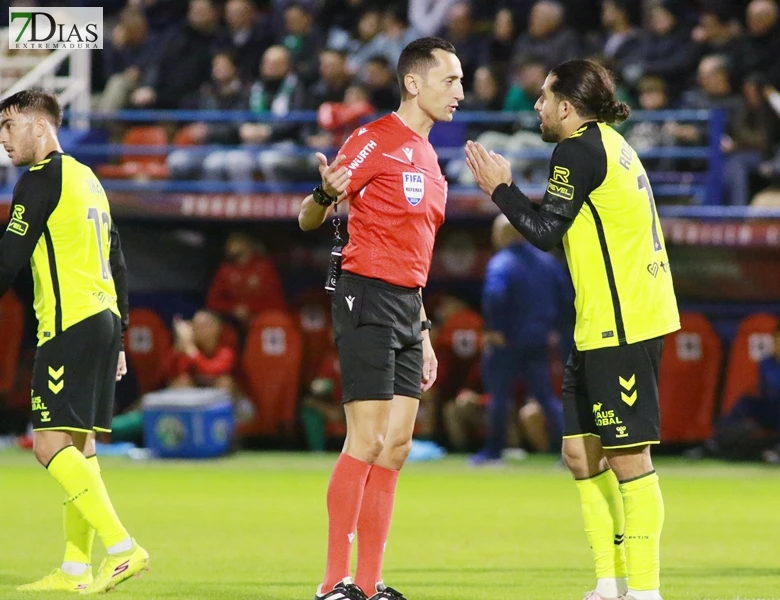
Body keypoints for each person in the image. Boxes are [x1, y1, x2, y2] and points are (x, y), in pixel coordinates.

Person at [465, 59, 680, 600]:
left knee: (630, 457)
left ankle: (646, 590)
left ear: (567, 106)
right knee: (581, 455)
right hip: (603, 321)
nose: (536, 106)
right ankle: (609, 583)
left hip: (623, 322)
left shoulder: (579, 148)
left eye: (543, 97)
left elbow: (542, 230)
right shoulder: (612, 144)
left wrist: (501, 189)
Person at [298, 37, 464, 600]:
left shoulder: (429, 157)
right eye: (451, 81)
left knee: (396, 447)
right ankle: (331, 582)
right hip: (364, 294)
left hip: (406, 306)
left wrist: (424, 332)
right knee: (365, 441)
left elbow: (417, 256)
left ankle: (368, 586)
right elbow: (307, 216)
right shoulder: (374, 140)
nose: (460, 93)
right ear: (414, 83)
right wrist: (324, 193)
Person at [0, 89, 150, 593]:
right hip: (103, 320)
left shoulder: (39, 181)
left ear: (40, 128)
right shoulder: (89, 178)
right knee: (79, 449)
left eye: (10, 125)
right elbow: (119, 261)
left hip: (69, 324)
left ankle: (124, 548)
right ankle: (74, 568)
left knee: (47, 446)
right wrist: (122, 336)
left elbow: (8, 259)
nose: (3, 138)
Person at [470, 214, 569, 466]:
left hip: (507, 341)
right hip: (539, 339)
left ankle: (493, 452)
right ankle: (568, 454)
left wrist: (494, 328)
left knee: (499, 397)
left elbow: (494, 294)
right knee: (546, 397)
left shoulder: (501, 263)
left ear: (505, 235)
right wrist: (554, 326)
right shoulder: (548, 262)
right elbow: (567, 297)